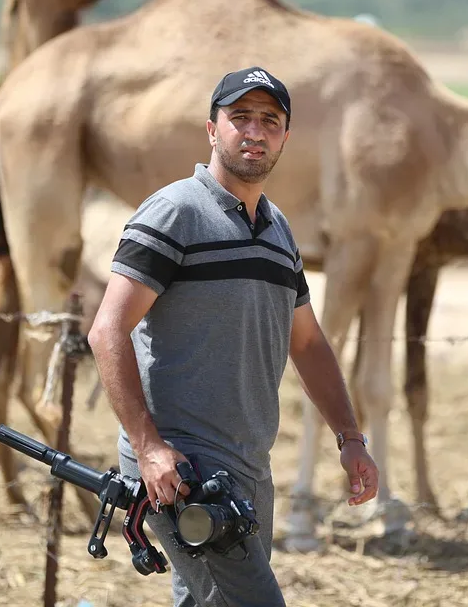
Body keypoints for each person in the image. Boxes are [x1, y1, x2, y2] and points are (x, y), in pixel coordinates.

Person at [87, 66, 380, 607]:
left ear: (285, 138)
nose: (254, 131)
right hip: (183, 467)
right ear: (211, 129)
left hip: (249, 467)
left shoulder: (278, 230)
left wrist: (350, 437)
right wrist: (149, 449)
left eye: (269, 120)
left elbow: (309, 344)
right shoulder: (174, 212)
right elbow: (107, 330)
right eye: (239, 117)